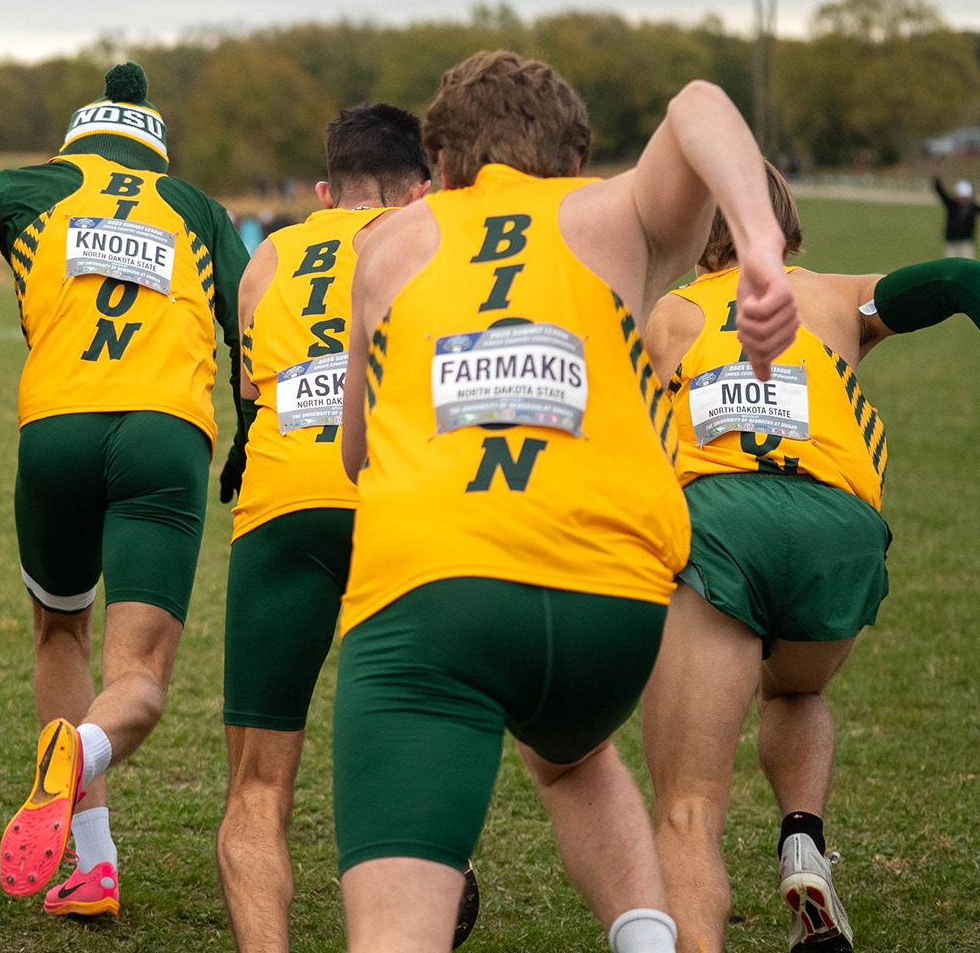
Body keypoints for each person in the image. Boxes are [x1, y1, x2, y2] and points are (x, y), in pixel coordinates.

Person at [335, 50, 799, 953]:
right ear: (574, 158)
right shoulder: (612, 214)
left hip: (434, 590)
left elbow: (356, 453)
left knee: (397, 929)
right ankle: (647, 937)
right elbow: (700, 102)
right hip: (608, 608)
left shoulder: (389, 243)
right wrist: (759, 248)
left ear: (442, 163)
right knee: (570, 756)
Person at [0, 62, 249, 917]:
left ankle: (95, 862)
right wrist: (251, 429)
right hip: (165, 433)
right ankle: (82, 752)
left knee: (60, 631)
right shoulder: (197, 208)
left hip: (55, 430)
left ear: (77, 140)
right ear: (155, 151)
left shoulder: (29, 186)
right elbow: (251, 320)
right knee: (139, 674)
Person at [640, 162, 980, 953]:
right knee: (794, 690)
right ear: (786, 224)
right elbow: (958, 279)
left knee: (689, 807)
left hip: (722, 519)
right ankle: (804, 842)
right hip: (840, 528)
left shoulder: (670, 315)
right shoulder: (836, 297)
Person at [217, 103, 482, 952]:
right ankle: (438, 851)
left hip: (285, 504)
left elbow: (252, 389)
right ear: (422, 188)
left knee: (257, 789)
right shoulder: (435, 240)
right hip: (396, 500)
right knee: (422, 715)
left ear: (325, 191)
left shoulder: (269, 256)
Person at [930, 165, 976, 258]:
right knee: (951, 264)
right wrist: (936, 178)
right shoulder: (952, 204)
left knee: (967, 263)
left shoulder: (973, 207)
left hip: (966, 242)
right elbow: (941, 192)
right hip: (951, 241)